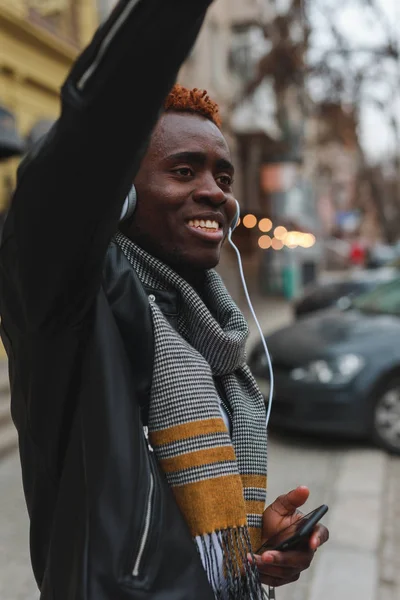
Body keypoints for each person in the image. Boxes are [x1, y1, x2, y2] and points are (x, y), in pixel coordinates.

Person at [0, 1, 328, 598]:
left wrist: (255, 545)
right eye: (184, 171)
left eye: (223, 178)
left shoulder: (211, 334)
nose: (216, 194)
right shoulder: (67, 303)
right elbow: (89, 135)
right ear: (117, 198)